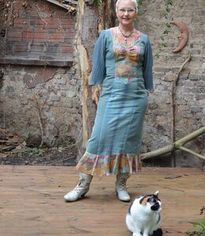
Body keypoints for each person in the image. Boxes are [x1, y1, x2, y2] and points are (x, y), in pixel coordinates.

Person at [64, 0, 153, 202]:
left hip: (136, 97)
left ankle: (121, 184)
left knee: (129, 141)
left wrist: (146, 91)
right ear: (116, 11)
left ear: (136, 13)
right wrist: (97, 88)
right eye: (122, 9)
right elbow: (98, 67)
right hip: (112, 95)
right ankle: (82, 185)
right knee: (98, 138)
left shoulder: (144, 40)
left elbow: (147, 68)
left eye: (130, 10)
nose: (126, 14)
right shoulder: (106, 36)